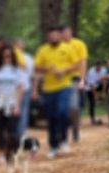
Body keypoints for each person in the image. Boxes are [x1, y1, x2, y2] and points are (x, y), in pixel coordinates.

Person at [32, 25, 79, 159]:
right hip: (48, 89)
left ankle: (63, 140)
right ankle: (53, 146)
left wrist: (64, 70)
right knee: (51, 117)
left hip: (64, 86)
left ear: (60, 36)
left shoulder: (67, 48)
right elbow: (36, 67)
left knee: (62, 111)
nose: (53, 37)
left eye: (55, 35)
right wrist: (46, 68)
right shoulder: (43, 50)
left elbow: (76, 64)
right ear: (48, 37)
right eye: (51, 35)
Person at [0, 43, 26, 164]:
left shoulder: (17, 70)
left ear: (12, 57)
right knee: (0, 129)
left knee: (12, 128)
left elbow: (20, 88)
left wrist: (17, 105)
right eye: (4, 56)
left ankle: (12, 151)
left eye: (9, 56)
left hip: (11, 102)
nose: (7, 59)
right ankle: (1, 152)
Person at [60, 25, 88, 143]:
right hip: (60, 80)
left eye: (67, 32)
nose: (65, 34)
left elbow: (83, 62)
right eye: (63, 32)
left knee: (73, 106)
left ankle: (76, 130)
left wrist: (82, 79)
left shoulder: (79, 44)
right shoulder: (58, 46)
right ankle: (63, 133)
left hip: (74, 78)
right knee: (62, 108)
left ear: (70, 32)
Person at [14, 39, 34, 137]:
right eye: (17, 45)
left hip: (25, 87)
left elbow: (31, 73)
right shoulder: (10, 58)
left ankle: (21, 132)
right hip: (12, 89)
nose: (19, 47)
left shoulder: (28, 58)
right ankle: (14, 132)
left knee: (24, 111)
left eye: (20, 45)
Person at [85, 60, 106, 125]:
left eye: (100, 66)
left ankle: (101, 99)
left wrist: (103, 93)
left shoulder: (104, 70)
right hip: (90, 88)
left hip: (98, 85)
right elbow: (92, 85)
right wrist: (95, 96)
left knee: (107, 85)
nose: (99, 68)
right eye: (98, 66)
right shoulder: (91, 71)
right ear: (95, 66)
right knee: (92, 103)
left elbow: (104, 82)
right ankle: (92, 118)